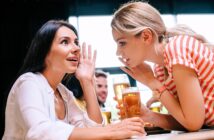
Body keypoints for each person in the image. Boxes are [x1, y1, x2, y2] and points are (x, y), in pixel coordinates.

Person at [3, 19, 146, 139]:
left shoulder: (63, 93)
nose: (76, 48)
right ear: (44, 51)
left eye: (76, 42)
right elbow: (41, 132)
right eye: (65, 42)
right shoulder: (29, 83)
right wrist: (112, 130)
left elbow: (92, 129)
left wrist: (87, 81)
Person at [111, 1, 214, 131]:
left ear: (146, 36)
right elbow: (187, 121)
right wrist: (148, 115)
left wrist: (152, 82)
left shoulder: (177, 48)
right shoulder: (160, 69)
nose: (118, 52)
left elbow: (194, 124)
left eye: (122, 43)